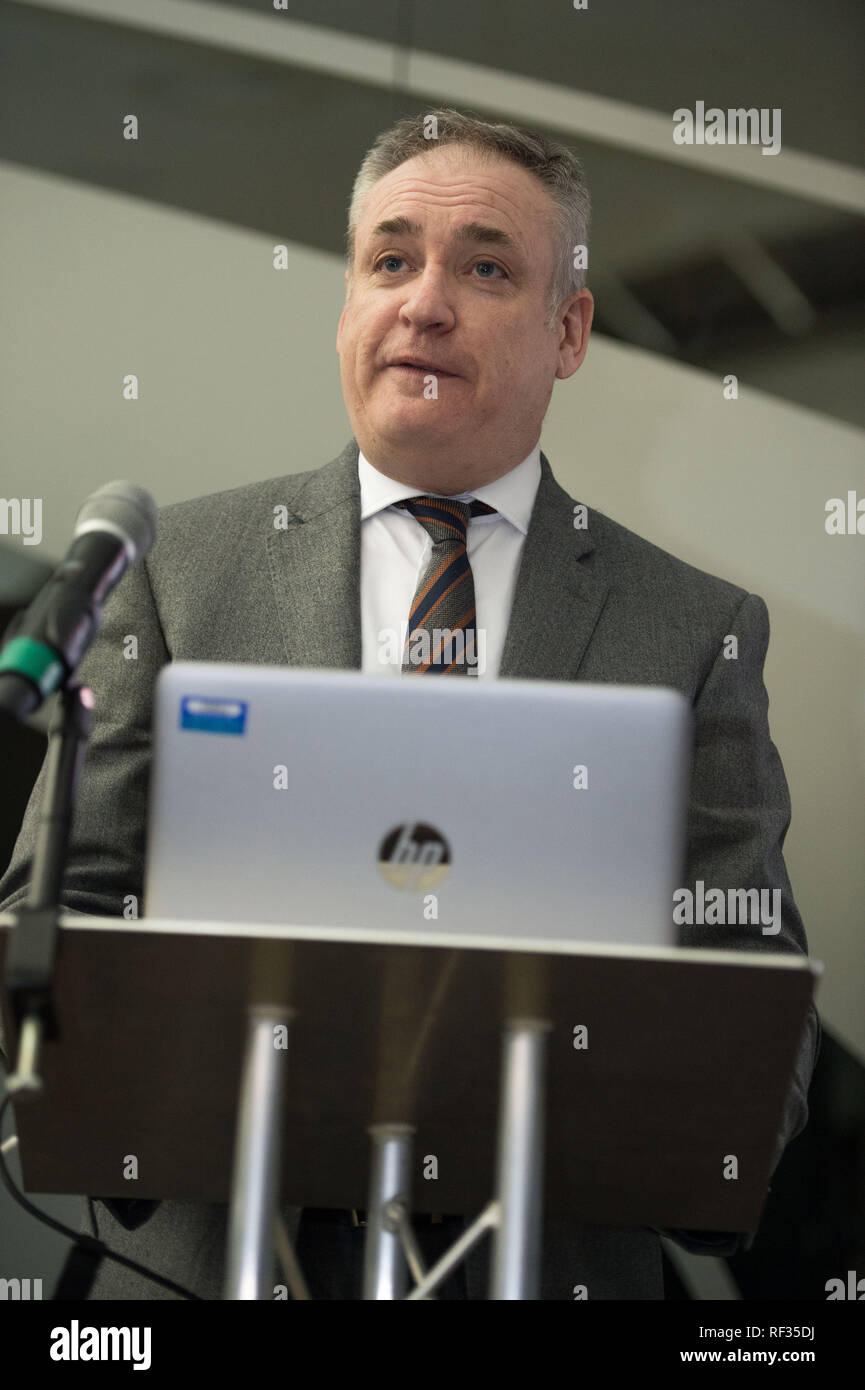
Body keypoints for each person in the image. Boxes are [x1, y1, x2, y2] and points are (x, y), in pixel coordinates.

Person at [0, 107, 819, 1300]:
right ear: (347, 306)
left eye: (485, 268)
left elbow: (749, 999)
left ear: (569, 329)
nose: (423, 303)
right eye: (390, 261)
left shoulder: (693, 630)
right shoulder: (175, 570)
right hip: (197, 1268)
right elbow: (55, 917)